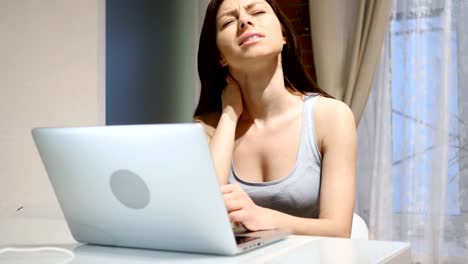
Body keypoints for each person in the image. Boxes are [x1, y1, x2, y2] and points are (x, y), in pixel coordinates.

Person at [193, 0, 356, 238]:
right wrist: (229, 115)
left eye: (257, 11)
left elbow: (338, 230)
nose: (244, 21)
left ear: (283, 35)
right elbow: (202, 218)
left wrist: (265, 217)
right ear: (220, 56)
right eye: (228, 21)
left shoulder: (331, 117)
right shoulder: (207, 128)